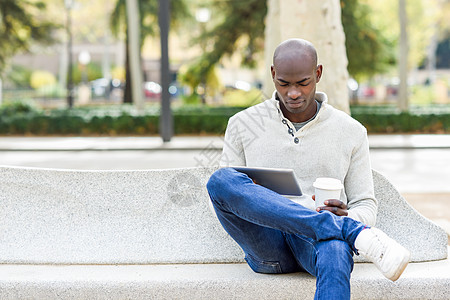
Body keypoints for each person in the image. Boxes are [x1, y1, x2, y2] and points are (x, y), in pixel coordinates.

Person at [206, 38, 410, 300]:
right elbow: (228, 197)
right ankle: (349, 232)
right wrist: (258, 198)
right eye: (283, 83)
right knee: (221, 180)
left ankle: (341, 228)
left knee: (336, 248)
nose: (293, 93)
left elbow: (366, 203)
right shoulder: (242, 124)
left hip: (317, 246)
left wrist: (349, 215)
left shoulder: (351, 131)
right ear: (272, 75)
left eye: (303, 83)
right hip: (267, 245)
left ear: (318, 74)